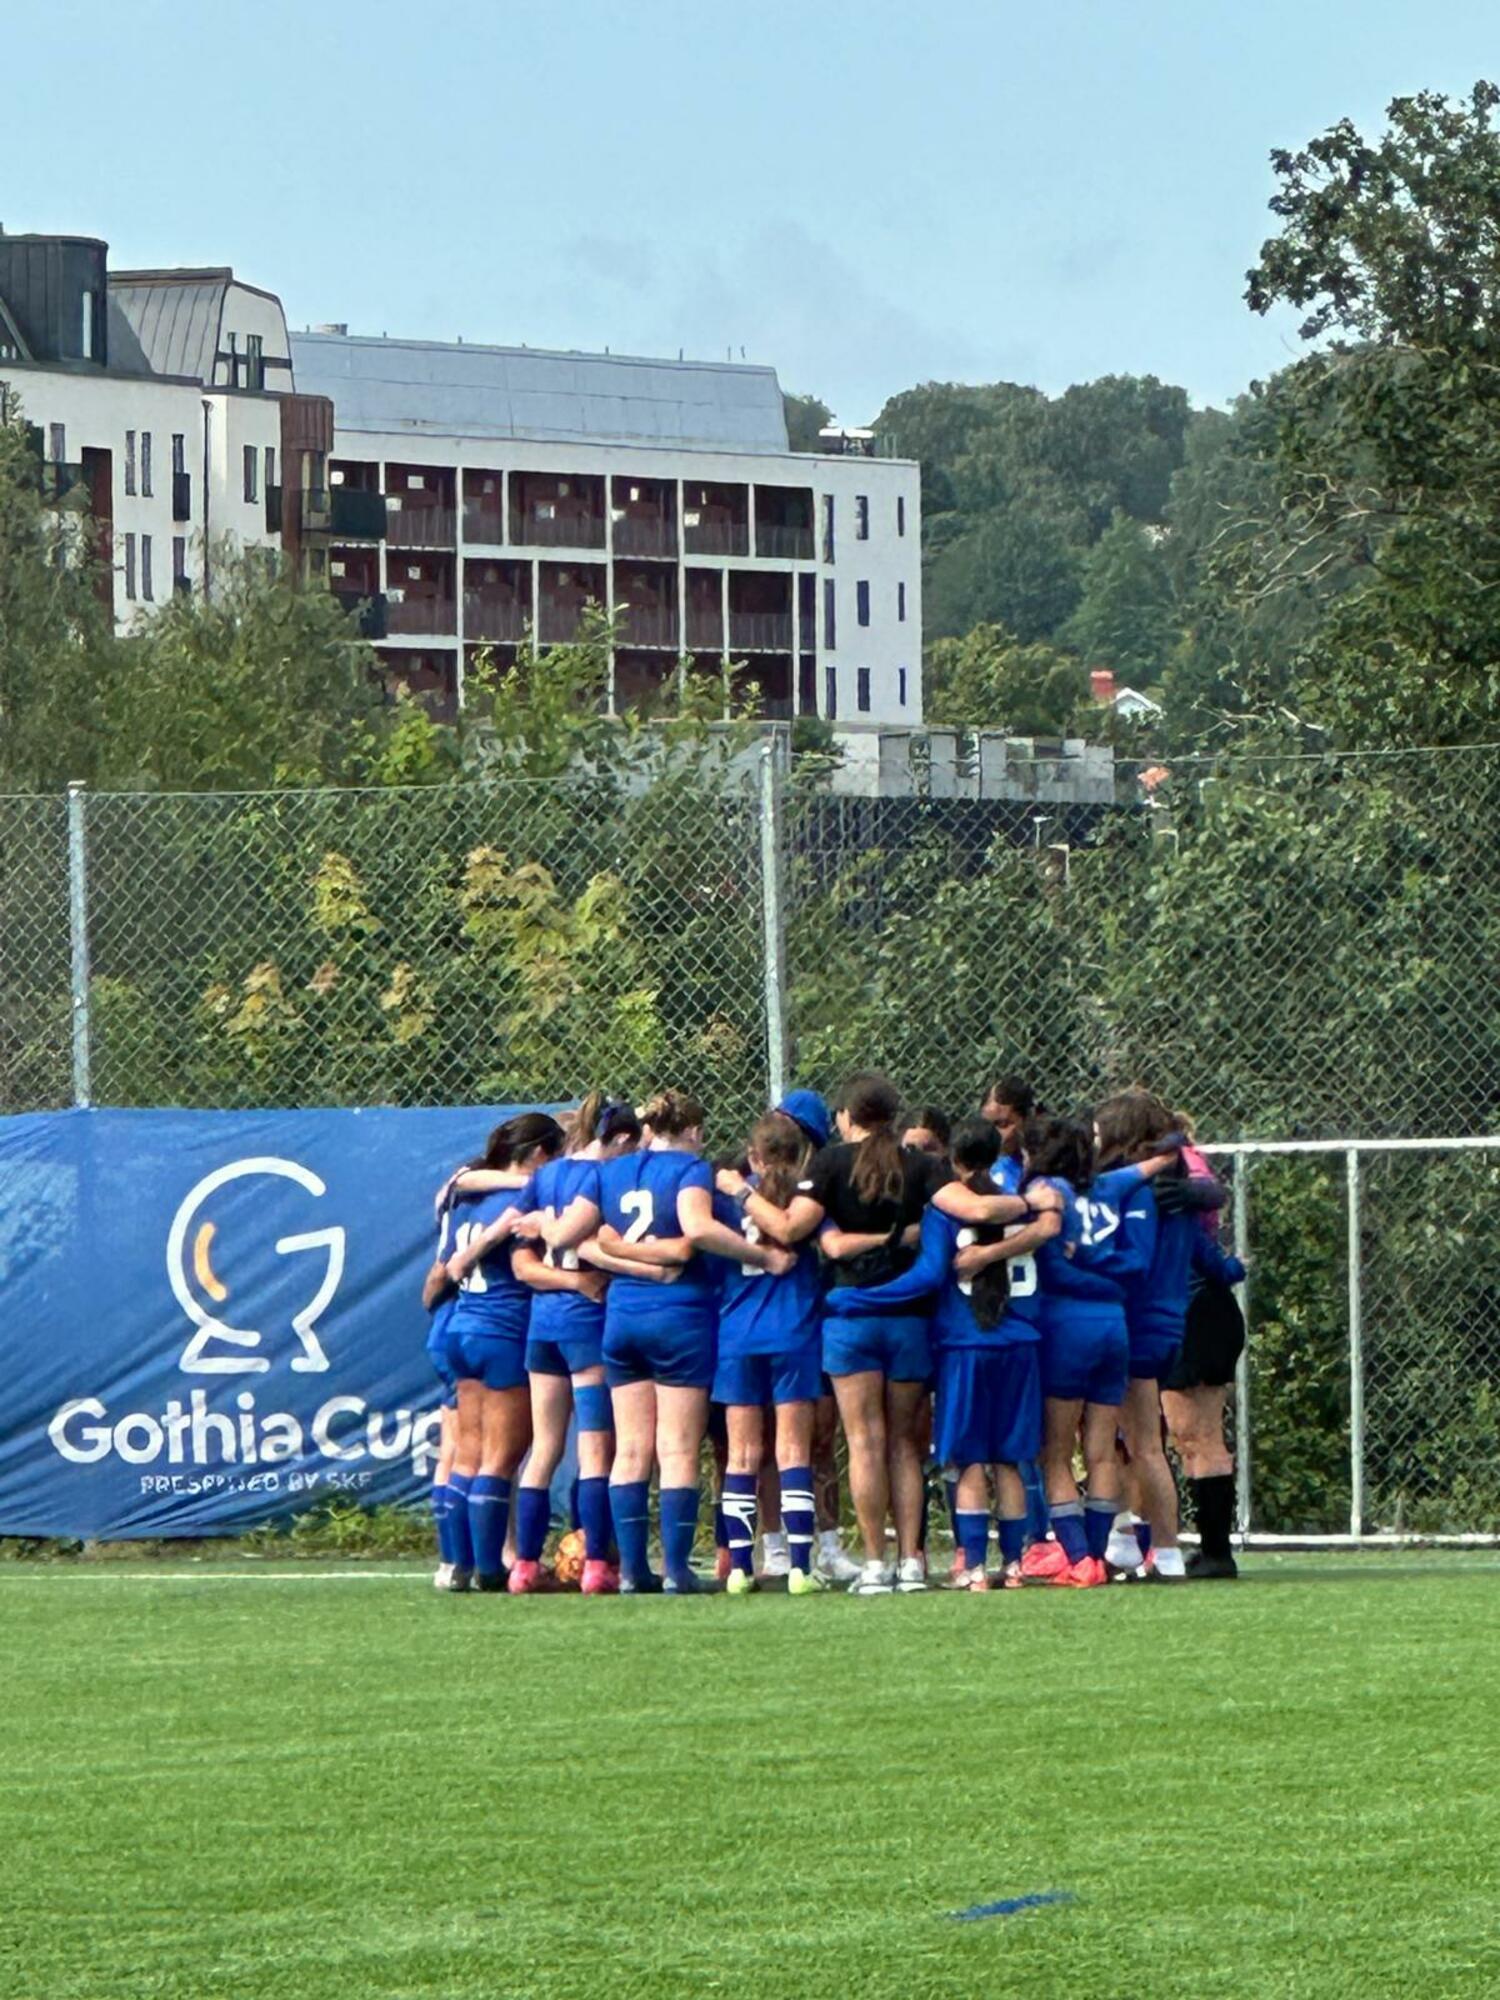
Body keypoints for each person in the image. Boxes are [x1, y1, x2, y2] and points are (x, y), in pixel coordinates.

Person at [737, 1072, 1026, 1595]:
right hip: (910, 1322)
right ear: (893, 1116)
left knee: (864, 1442)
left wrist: (737, 1189)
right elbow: (979, 1209)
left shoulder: (828, 1165)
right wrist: (1033, 1208)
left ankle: (874, 1565)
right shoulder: (923, 1166)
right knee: (904, 1445)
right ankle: (912, 1562)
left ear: (846, 1117)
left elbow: (788, 1230)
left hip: (851, 1323)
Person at [823, 1118, 1052, 1590]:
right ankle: (1012, 1564)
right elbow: (1049, 1232)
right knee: (1010, 1459)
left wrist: (861, 1298)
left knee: (966, 1457)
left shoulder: (945, 1213)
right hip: (1021, 1341)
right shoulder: (1024, 1207)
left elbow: (927, 1277)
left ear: (952, 1162)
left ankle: (971, 1568)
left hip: (966, 1343)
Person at [591, 1088, 794, 1594]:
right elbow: (696, 1232)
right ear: (694, 1131)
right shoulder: (691, 1170)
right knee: (677, 1447)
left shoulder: (613, 1169)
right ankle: (677, 1570)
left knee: (631, 1448)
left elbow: (591, 1239)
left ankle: (634, 1571)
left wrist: (631, 1259)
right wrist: (763, 1256)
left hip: (622, 1316)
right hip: (678, 1317)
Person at [1017, 1114, 1163, 1589]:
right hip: (1114, 1325)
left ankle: (1079, 1556)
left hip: (1068, 1326)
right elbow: (1143, 1170)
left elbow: (1055, 1271)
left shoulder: (1047, 1189)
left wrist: (1087, 1280)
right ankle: (1097, 1554)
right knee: (1100, 1450)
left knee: (1054, 1451)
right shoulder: (1108, 1186)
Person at [508, 1093, 643, 1596]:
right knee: (594, 1449)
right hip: (584, 1326)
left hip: (542, 1325)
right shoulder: (599, 1177)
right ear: (622, 1138)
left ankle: (523, 1565)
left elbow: (521, 1239)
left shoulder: (547, 1175)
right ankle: (595, 1566)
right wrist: (557, 1234)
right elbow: (570, 1236)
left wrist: (539, 1225)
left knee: (544, 1446)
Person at [1094, 1090, 1230, 1582]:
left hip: (1140, 1322)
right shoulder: (1173, 1191)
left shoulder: (1142, 1195)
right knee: (1131, 1441)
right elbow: (1206, 1250)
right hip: (1169, 1319)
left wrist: (1087, 1263)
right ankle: (1127, 1540)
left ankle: (1166, 1550)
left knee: (1142, 1443)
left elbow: (1137, 1262)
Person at [443, 1113, 566, 1591]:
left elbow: (453, 1185)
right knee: (501, 1458)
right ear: (538, 1155)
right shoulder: (522, 1196)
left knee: (467, 1455)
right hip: (503, 1328)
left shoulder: (468, 1199)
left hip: (462, 1325)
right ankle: (492, 1568)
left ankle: (460, 1564)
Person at [711, 1112, 827, 1595]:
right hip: (793, 1332)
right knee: (793, 1451)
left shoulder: (725, 1200)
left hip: (738, 1332)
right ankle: (800, 1567)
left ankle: (740, 1567)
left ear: (753, 1156)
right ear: (800, 1153)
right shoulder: (808, 1195)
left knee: (742, 1454)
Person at [778, 1088, 862, 1586]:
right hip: (770, 1325)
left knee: (820, 1439)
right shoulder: (746, 1183)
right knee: (763, 1446)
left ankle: (826, 1544)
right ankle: (769, 1546)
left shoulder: (823, 1183)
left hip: (815, 1318)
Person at [1161, 1119, 1248, 1579]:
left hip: (1198, 1314)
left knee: (1198, 1434)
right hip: (1196, 1312)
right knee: (1186, 1436)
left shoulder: (1179, 1185)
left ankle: (1217, 1550)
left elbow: (1206, 1197)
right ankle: (1206, 1546)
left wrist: (1231, 1268)